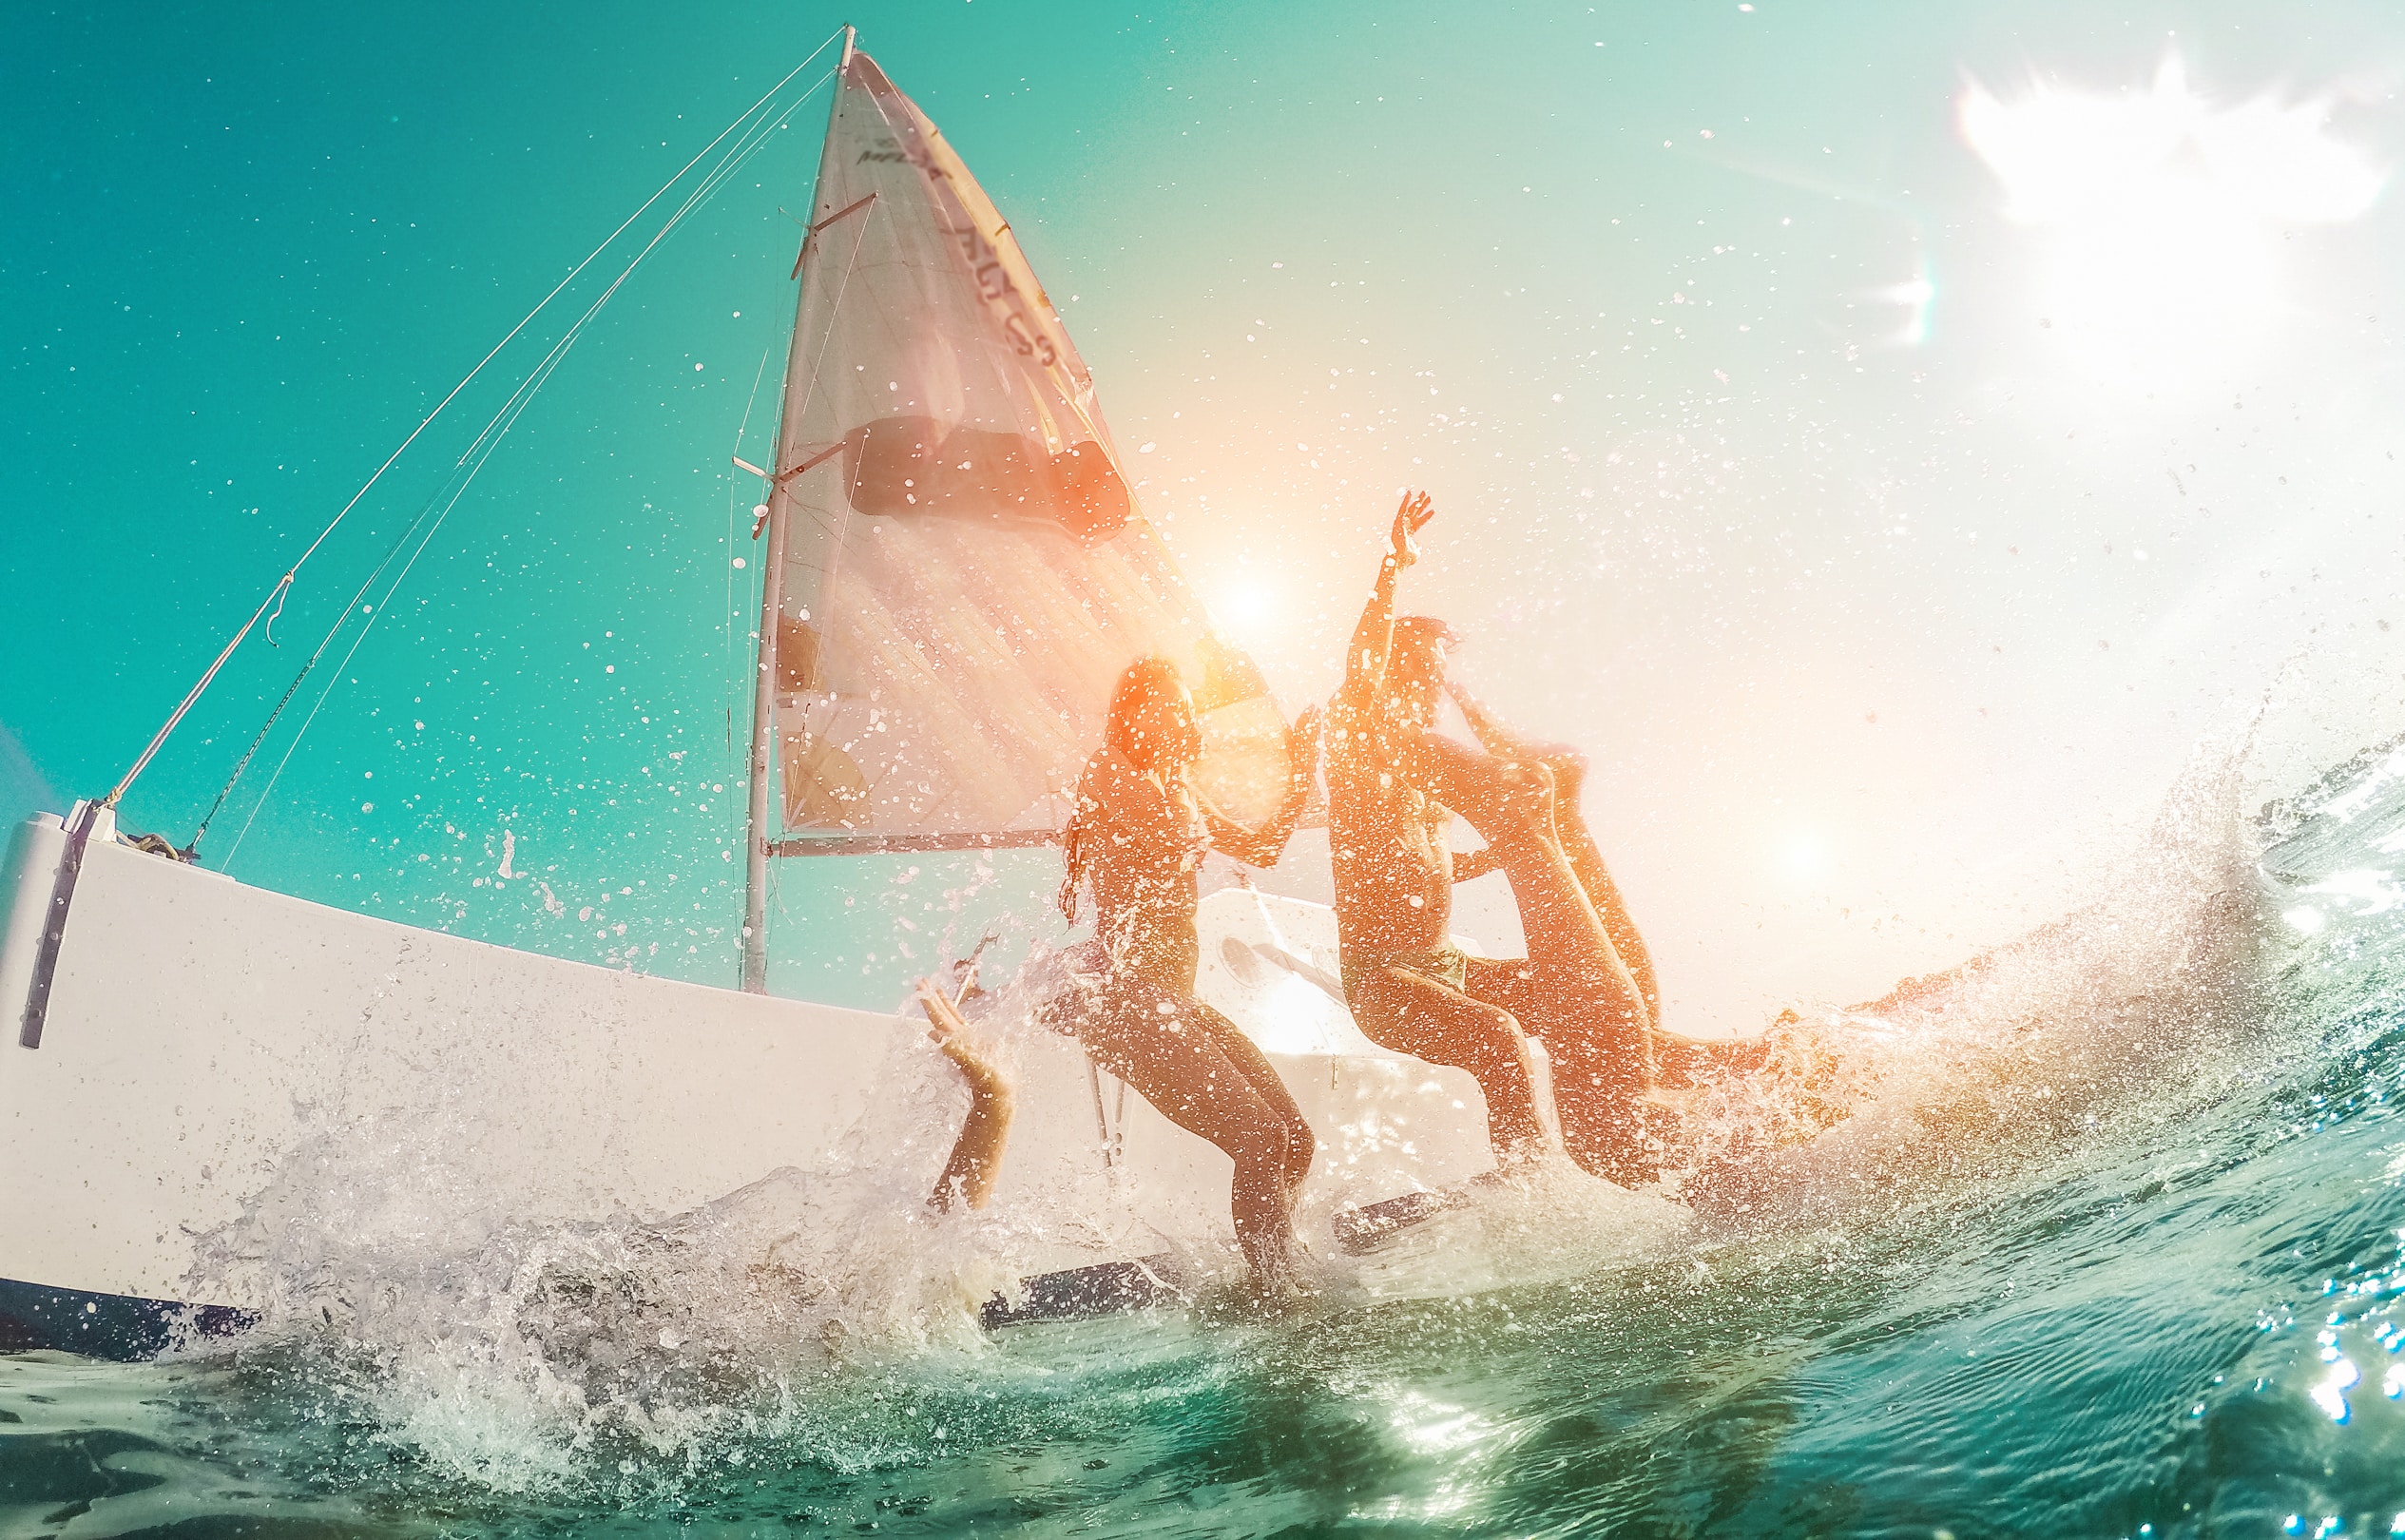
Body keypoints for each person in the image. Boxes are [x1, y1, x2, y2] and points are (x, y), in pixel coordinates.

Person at [1328, 491, 1717, 1184]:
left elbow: (1429, 869)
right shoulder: (1362, 749)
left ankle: (1721, 1082)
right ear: (1391, 672)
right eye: (1418, 673)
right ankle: (1528, 1195)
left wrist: (1497, 855)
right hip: (1384, 977)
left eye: (1434, 680)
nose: (1429, 691)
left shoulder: (1426, 771)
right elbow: (1362, 664)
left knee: (1578, 1003)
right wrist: (1394, 564)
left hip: (1445, 965)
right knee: (1498, 1039)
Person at [1049, 656, 1324, 1298]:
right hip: (1127, 1001)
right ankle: (1274, 1299)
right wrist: (1185, 772)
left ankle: (1281, 1267)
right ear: (1133, 713)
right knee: (1260, 1139)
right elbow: (1162, 829)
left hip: (1176, 1000)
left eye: (1186, 706)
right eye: (1169, 705)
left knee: (1296, 1142)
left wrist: (1302, 767)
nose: (1183, 716)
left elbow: (1263, 847)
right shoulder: (1109, 770)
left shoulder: (1176, 789)